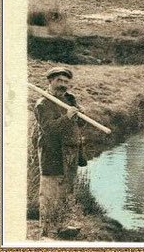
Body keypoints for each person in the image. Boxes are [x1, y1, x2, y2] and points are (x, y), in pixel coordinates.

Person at [34, 66, 85, 238]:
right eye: (59, 81)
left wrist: (79, 116)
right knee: (50, 193)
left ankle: (62, 227)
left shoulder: (70, 99)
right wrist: (67, 117)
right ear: (50, 81)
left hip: (70, 152)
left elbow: (79, 125)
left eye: (66, 81)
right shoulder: (43, 104)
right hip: (53, 152)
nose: (63, 85)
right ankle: (47, 233)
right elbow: (49, 129)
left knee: (66, 191)